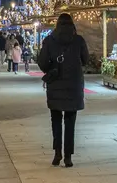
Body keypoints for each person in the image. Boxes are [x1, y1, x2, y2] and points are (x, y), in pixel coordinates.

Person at [38, 13, 88, 168]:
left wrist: (52, 68)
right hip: (74, 85)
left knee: (56, 120)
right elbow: (85, 60)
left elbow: (42, 62)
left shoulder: (49, 40)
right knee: (70, 122)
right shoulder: (79, 40)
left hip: (55, 85)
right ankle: (68, 157)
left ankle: (57, 153)